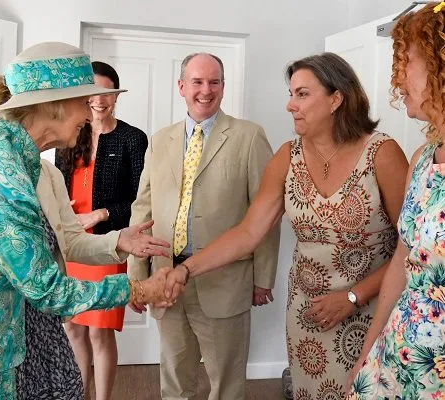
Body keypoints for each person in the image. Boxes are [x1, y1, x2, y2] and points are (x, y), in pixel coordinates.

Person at [0, 42, 184, 400]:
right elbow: (46, 288)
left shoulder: (11, 153)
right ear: (53, 105)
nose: (89, 114)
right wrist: (139, 290)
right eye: (82, 102)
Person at [163, 52, 409, 399]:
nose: (291, 105)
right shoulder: (287, 156)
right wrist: (185, 270)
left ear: (336, 98)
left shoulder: (382, 154)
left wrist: (354, 297)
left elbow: (411, 248)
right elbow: (248, 233)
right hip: (308, 315)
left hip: (371, 311)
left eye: (302, 94)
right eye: (291, 94)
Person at [127, 52, 280, 400]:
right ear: (181, 87)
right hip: (165, 279)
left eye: (214, 82)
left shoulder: (249, 137)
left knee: (226, 384)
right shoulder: (160, 140)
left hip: (225, 280)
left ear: (223, 88)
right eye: (197, 82)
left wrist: (263, 278)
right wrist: (137, 276)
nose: (206, 90)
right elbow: (143, 210)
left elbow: (268, 212)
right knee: (175, 381)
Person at [347, 3, 445, 399]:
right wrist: (370, 348)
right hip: (397, 355)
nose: (397, 77)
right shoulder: (423, 159)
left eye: (407, 61)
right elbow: (404, 259)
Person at [54, 61, 148, 400]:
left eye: (107, 92)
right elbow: (56, 193)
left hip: (109, 246)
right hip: (71, 246)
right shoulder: (68, 136)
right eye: (93, 91)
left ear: (116, 96)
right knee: (74, 328)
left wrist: (101, 214)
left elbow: (140, 200)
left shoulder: (132, 139)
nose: (99, 99)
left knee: (99, 332)